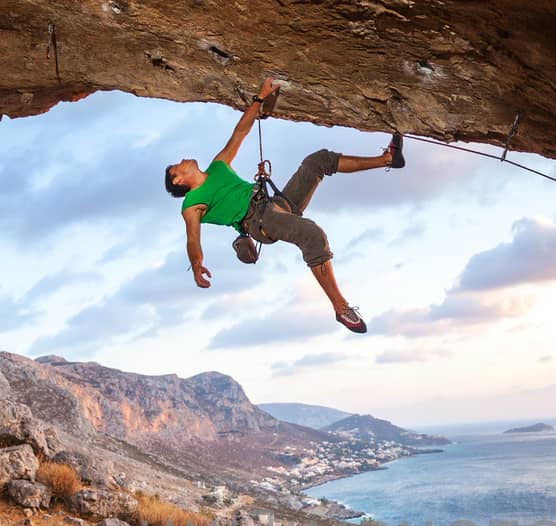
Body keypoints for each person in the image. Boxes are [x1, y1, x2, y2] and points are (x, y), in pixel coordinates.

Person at [163, 77, 404, 334]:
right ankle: (341, 308)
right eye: (176, 165)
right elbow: (192, 238)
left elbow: (240, 131)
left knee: (318, 160)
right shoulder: (191, 204)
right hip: (259, 221)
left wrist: (260, 96)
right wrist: (197, 265)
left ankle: (388, 159)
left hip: (273, 203)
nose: (182, 159)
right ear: (178, 179)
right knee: (312, 235)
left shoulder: (217, 166)